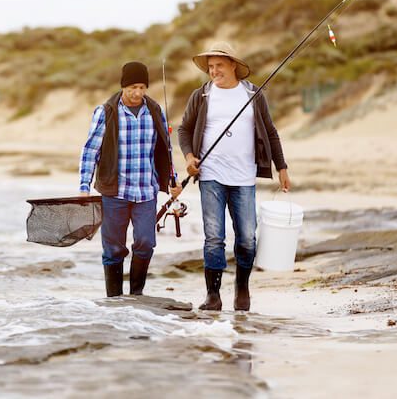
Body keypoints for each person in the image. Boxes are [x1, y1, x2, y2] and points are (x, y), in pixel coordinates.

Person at [177, 42, 290, 311]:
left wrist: (282, 167)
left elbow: (271, 132)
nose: (214, 71)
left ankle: (242, 287)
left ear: (233, 66)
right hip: (211, 175)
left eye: (219, 65)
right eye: (210, 67)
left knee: (247, 237)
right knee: (214, 237)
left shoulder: (253, 94)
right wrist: (189, 157)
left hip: (244, 176)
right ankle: (213, 295)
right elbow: (184, 130)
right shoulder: (201, 95)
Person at [79, 61, 181, 297]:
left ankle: (136, 295)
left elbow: (165, 149)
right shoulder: (106, 112)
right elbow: (90, 150)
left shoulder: (155, 111)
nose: (137, 93)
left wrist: (172, 180)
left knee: (146, 243)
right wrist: (84, 186)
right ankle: (114, 300)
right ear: (123, 86)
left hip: (146, 191)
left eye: (142, 87)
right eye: (132, 87)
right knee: (113, 249)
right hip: (114, 192)